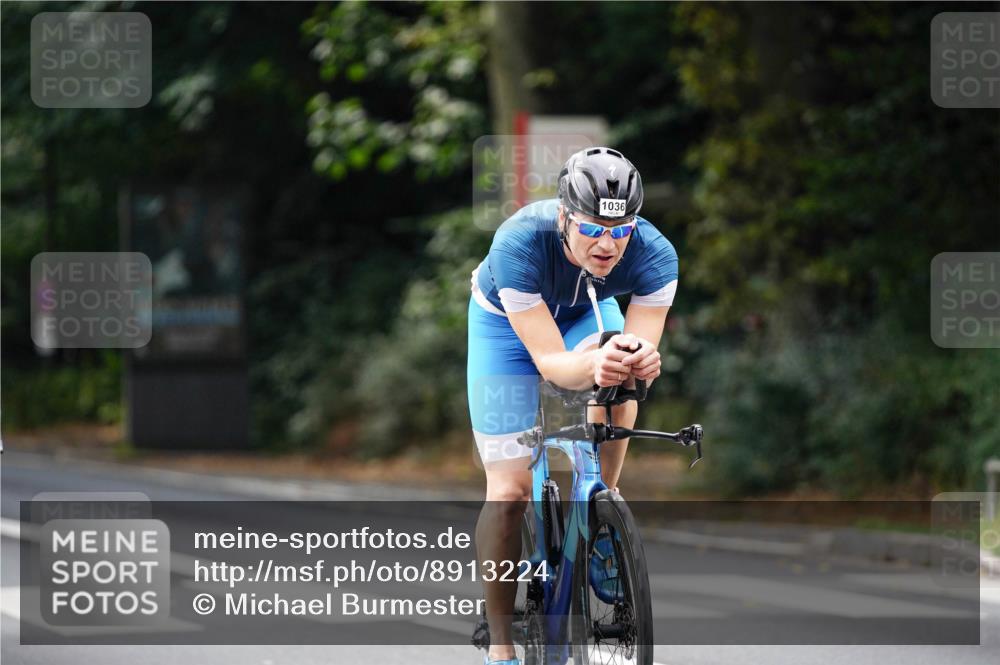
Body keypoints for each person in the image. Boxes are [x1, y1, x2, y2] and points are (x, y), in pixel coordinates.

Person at [467, 147, 678, 664]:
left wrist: (638, 358)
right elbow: (551, 364)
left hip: (585, 310)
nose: (607, 244)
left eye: (621, 230)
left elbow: (639, 347)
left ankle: (603, 506)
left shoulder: (656, 255)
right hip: (507, 330)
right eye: (591, 228)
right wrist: (591, 364)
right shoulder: (518, 242)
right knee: (509, 493)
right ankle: (501, 645)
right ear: (564, 215)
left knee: (624, 372)